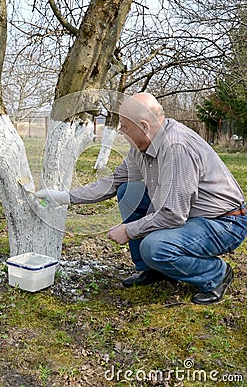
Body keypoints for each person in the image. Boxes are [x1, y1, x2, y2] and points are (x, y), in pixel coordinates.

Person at [35, 93, 246, 305]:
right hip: (188, 214)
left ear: (144, 126)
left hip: (223, 222)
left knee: (154, 247)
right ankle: (153, 269)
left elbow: (173, 215)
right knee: (128, 189)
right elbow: (113, 182)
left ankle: (216, 274)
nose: (120, 131)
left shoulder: (176, 147)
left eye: (125, 126)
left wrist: (128, 230)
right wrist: (63, 197)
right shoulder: (140, 149)